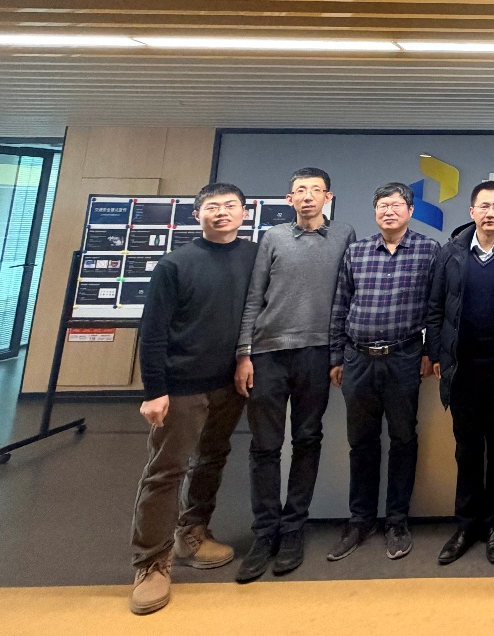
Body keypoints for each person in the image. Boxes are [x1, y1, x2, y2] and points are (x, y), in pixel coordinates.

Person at [128, 183, 258, 615]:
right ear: (197, 214)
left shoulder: (255, 256)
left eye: (230, 206)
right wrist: (154, 391)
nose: (221, 212)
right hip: (182, 385)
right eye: (212, 206)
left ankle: (193, 533)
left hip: (229, 382)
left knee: (211, 459)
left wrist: (245, 358)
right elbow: (152, 331)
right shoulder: (175, 264)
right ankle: (151, 563)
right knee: (166, 471)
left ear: (244, 212)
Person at [233, 168, 356, 583]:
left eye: (315, 190)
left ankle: (293, 528)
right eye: (300, 191)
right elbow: (254, 297)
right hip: (268, 353)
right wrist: (244, 353)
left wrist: (339, 353)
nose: (307, 197)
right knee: (265, 446)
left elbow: (348, 296)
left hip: (317, 353)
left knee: (307, 438)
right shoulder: (273, 237)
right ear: (289, 199)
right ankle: (264, 532)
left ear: (328, 197)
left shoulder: (344, 236)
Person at [326, 182, 439, 563]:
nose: (389, 211)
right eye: (382, 206)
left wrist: (430, 351)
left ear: (410, 211)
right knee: (362, 441)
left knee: (403, 438)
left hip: (404, 357)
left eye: (396, 205)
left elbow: (435, 308)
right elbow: (340, 306)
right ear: (374, 212)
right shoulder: (356, 252)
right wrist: (336, 357)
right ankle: (360, 519)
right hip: (357, 359)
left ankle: (396, 520)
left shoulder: (428, 250)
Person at [427, 180, 494, 568]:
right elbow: (435, 309)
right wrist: (436, 354)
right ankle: (466, 526)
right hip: (463, 372)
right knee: (467, 451)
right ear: (471, 211)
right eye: (484, 206)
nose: (491, 213)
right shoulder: (451, 253)